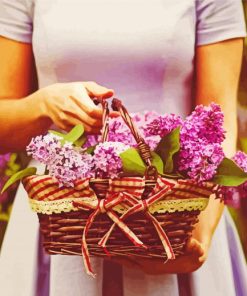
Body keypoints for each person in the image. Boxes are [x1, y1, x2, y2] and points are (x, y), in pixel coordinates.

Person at [0, 0, 246, 295]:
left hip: (173, 212)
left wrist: (197, 239)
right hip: (61, 212)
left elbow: (219, 122)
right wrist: (42, 105)